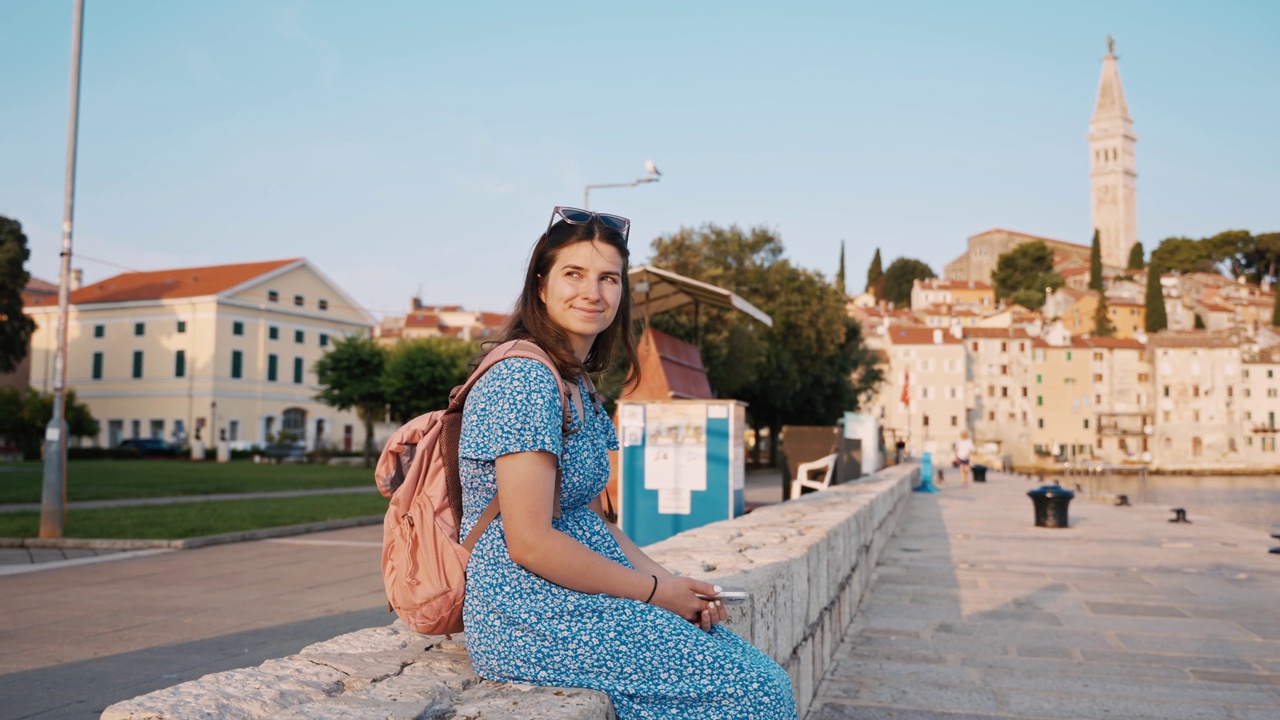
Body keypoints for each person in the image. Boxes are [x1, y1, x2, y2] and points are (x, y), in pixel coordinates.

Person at [458, 206, 797, 719]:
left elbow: (586, 521)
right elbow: (529, 541)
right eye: (574, 274)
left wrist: (674, 585)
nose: (592, 292)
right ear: (541, 284)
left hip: (572, 593)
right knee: (757, 692)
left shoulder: (571, 380)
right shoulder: (524, 380)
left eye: (608, 278)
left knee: (757, 678)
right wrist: (657, 592)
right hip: (529, 611)